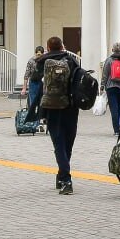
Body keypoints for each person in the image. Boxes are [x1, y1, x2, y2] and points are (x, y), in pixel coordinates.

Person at [33, 35, 81, 195]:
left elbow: (36, 82)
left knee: (58, 144)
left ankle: (65, 178)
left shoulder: (41, 62)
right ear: (62, 46)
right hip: (70, 107)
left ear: (47, 48)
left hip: (51, 107)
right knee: (68, 143)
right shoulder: (72, 61)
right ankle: (63, 175)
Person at [101, 42, 120, 135]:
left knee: (114, 109)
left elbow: (105, 74)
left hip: (111, 87)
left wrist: (102, 85)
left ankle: (116, 130)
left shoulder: (109, 60)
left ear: (112, 50)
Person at [23, 46, 43, 111]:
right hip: (33, 83)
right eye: (38, 54)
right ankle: (33, 117)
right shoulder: (31, 61)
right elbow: (26, 75)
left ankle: (39, 117)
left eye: (40, 55)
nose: (39, 56)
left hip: (41, 82)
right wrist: (24, 88)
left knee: (41, 102)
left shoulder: (44, 61)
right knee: (32, 102)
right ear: (35, 53)